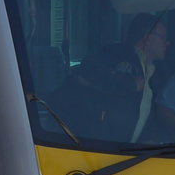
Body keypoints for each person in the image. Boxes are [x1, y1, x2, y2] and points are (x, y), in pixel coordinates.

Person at [65, 13, 168, 142]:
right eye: (163, 38)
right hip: (99, 150)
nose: (167, 43)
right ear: (147, 39)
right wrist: (129, 83)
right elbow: (88, 73)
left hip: (133, 153)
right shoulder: (116, 54)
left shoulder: (155, 72)